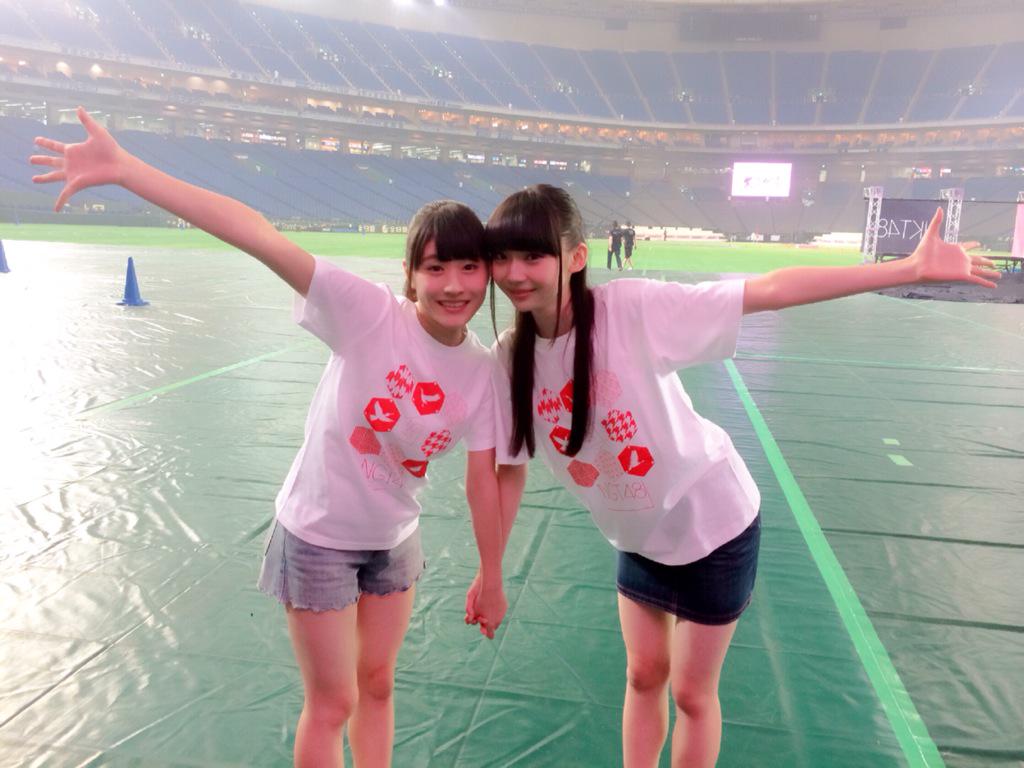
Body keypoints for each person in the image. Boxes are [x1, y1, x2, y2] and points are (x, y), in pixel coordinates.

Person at [32, 107, 508, 768]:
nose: (452, 285)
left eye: (467, 267)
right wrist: (127, 170)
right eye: (435, 268)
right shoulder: (368, 313)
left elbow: (484, 477)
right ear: (410, 276)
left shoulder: (482, 372)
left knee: (377, 684)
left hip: (395, 540)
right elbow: (258, 235)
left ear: (487, 274)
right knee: (333, 703)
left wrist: (492, 574)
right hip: (318, 537)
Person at [475, 184, 998, 768]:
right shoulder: (509, 357)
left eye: (533, 255)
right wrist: (491, 572)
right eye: (502, 257)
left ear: (576, 256)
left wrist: (907, 269)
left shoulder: (630, 311)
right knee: (643, 673)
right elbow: (506, 470)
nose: (514, 273)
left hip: (714, 527)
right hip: (639, 538)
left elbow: (767, 291)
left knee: (691, 693)